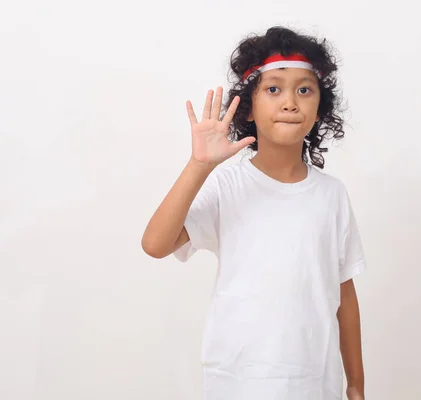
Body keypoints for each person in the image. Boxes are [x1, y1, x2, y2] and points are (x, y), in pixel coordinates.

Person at [141, 26, 367, 400]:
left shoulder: (332, 195)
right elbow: (155, 244)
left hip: (315, 383)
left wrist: (356, 383)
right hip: (238, 381)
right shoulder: (227, 185)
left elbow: (345, 294)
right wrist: (199, 165)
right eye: (274, 89)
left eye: (304, 89)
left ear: (319, 105)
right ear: (249, 104)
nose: (290, 102)